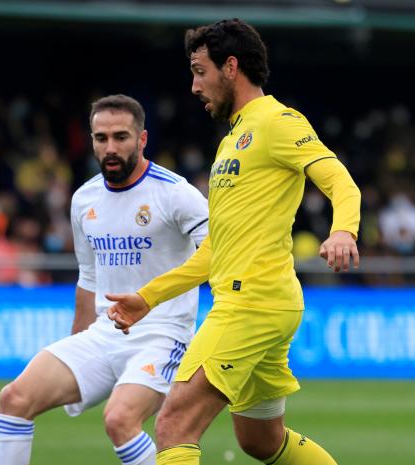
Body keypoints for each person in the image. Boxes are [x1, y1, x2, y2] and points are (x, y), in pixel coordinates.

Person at [107, 19, 361, 465]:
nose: (194, 86)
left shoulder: (278, 121)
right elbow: (215, 249)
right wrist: (148, 298)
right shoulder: (232, 141)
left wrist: (344, 229)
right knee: (261, 440)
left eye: (199, 71)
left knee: (173, 425)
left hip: (252, 304)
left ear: (230, 67)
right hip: (264, 302)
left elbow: (341, 181)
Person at [0, 94, 209, 465]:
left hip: (162, 337)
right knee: (14, 399)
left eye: (121, 137)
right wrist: (77, 347)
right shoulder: (84, 199)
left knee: (119, 420)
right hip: (104, 335)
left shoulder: (176, 193)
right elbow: (88, 278)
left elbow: (219, 253)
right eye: (101, 138)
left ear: (142, 139)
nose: (110, 148)